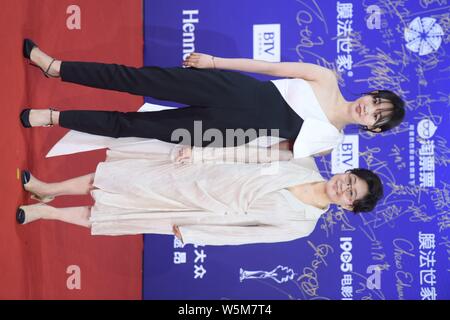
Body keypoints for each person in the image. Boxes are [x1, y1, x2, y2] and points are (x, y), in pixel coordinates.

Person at [20, 39, 405, 158]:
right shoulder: (326, 77)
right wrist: (216, 62)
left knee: (131, 126)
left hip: (225, 132)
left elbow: (267, 153)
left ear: (373, 129)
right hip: (230, 88)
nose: (369, 109)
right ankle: (56, 67)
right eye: (375, 102)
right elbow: (270, 68)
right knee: (134, 78)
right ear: (370, 94)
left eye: (376, 116)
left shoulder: (328, 144)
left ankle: (53, 117)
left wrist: (205, 152)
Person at [17, 140, 383, 246]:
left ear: (349, 206)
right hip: (201, 171)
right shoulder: (300, 162)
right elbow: (248, 154)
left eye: (351, 193)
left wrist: (198, 234)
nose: (344, 187)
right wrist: (203, 153)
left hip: (202, 210)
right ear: (345, 170)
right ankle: (47, 190)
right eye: (349, 179)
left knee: (116, 214)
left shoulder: (302, 224)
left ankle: (47, 213)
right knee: (116, 177)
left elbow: (247, 237)